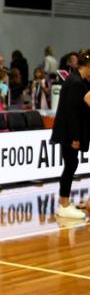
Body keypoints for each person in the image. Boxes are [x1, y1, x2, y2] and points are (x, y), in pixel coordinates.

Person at [50, 50, 90, 219]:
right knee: (70, 166)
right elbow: (72, 113)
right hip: (69, 133)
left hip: (70, 131)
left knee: (71, 165)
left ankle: (65, 202)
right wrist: (75, 137)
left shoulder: (78, 80)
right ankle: (64, 204)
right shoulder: (75, 82)